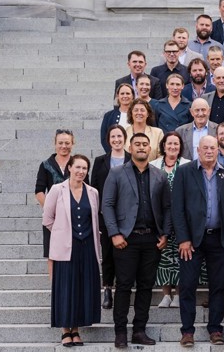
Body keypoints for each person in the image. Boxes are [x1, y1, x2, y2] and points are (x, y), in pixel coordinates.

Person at [101, 133, 171, 349]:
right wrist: (114, 234)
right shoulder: (116, 173)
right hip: (126, 240)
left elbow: (168, 208)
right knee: (123, 286)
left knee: (146, 286)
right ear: (130, 147)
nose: (141, 147)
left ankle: (139, 330)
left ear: (150, 148)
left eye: (144, 144)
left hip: (151, 240)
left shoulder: (159, 175)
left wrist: (165, 234)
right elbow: (107, 205)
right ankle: (120, 332)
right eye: (137, 144)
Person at [172, 134, 224, 346]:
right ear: (198, 150)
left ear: (219, 150)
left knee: (218, 286)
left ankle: (215, 329)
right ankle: (187, 331)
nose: (209, 151)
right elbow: (177, 208)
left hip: (219, 239)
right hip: (191, 241)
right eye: (205, 148)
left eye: (213, 148)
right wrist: (183, 238)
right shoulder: (184, 172)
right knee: (188, 285)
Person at [43, 153, 100, 348]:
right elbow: (47, 219)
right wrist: (62, 232)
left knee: (81, 288)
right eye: (78, 167)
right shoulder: (57, 190)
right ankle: (65, 330)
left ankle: (76, 329)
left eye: (84, 168)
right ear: (69, 168)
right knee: (66, 288)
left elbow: (94, 219)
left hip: (87, 248)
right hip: (65, 248)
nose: (81, 171)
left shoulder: (93, 192)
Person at [91, 125, 129, 310]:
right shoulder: (100, 161)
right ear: (108, 140)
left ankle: (124, 287)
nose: (116, 140)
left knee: (126, 253)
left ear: (125, 138)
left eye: (119, 136)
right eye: (113, 137)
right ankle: (107, 288)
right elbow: (93, 188)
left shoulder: (131, 158)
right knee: (107, 252)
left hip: (129, 214)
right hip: (106, 213)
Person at [151, 132, 189, 309]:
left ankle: (180, 294)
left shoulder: (188, 165)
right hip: (161, 219)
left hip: (182, 220)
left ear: (180, 146)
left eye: (176, 144)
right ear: (163, 145)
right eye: (169, 144)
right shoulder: (154, 165)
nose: (173, 147)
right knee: (164, 258)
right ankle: (166, 294)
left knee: (182, 257)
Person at [36, 130, 74, 274]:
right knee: (52, 253)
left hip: (74, 215)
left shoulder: (77, 163)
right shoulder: (46, 165)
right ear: (55, 144)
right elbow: (39, 191)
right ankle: (55, 288)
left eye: (67, 143)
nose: (64, 146)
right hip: (53, 217)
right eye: (60, 143)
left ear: (73, 144)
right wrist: (51, 209)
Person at [100, 84, 134, 153]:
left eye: (128, 93)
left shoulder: (137, 114)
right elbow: (104, 137)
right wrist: (113, 153)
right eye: (122, 93)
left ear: (132, 96)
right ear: (117, 96)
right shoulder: (109, 116)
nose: (125, 96)